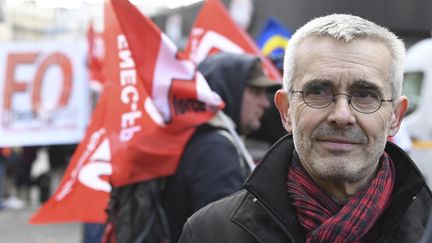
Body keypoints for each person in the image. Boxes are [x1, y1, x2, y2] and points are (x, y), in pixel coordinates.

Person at [179, 14, 432, 243]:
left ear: (396, 117)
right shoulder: (211, 232)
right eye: (318, 91)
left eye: (365, 94)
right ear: (286, 110)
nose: (341, 116)